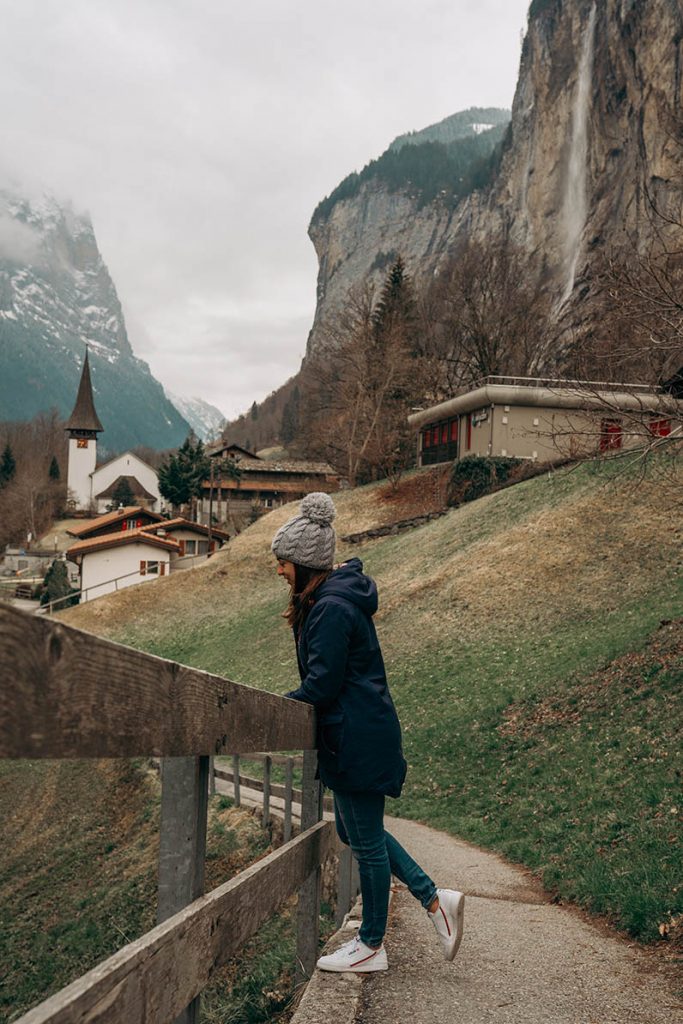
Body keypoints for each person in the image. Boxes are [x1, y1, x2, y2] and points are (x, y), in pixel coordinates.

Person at [271, 491, 464, 973]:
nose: (278, 571)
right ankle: (434, 898)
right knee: (355, 829)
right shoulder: (330, 600)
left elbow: (322, 684)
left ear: (303, 562)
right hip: (357, 732)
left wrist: (279, 710)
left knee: (367, 841)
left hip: (356, 736)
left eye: (282, 562)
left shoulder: (332, 608)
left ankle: (372, 943)